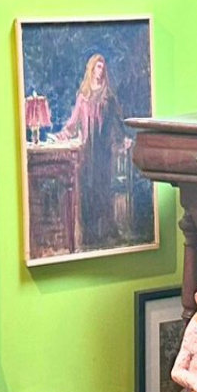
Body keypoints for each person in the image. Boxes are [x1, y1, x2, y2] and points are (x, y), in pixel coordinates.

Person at [56, 53, 129, 248]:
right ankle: (88, 236)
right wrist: (61, 135)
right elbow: (72, 124)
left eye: (103, 67)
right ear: (91, 69)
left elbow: (117, 124)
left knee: (102, 190)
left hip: (103, 153)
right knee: (86, 191)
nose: (100, 70)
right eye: (97, 66)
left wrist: (123, 139)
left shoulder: (108, 98)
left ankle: (105, 234)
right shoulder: (83, 97)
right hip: (87, 152)